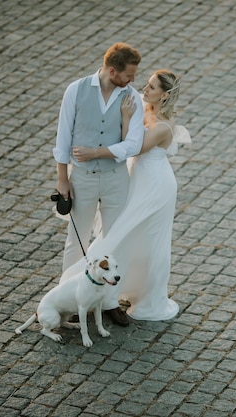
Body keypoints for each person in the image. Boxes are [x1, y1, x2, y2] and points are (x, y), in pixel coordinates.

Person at [60, 69, 190, 322]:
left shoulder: (164, 126)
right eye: (148, 84)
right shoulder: (144, 106)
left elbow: (133, 147)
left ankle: (88, 290)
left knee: (137, 235)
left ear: (164, 96)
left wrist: (125, 117)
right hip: (136, 179)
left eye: (152, 87)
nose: (145, 89)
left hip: (155, 185)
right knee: (123, 232)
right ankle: (90, 292)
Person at [53, 42, 145, 326]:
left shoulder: (132, 98)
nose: (133, 81)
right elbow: (63, 137)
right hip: (81, 178)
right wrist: (62, 179)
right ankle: (65, 300)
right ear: (112, 70)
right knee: (76, 241)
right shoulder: (76, 90)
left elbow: (134, 144)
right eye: (129, 75)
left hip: (117, 179)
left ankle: (108, 303)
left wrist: (97, 152)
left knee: (116, 241)